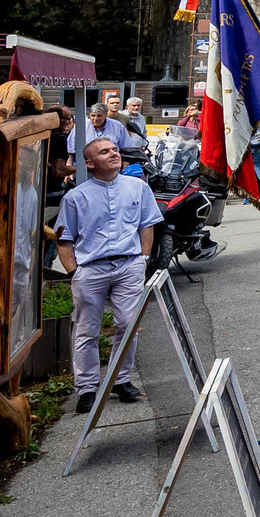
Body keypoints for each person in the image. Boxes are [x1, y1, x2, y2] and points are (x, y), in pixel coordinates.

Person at [54, 133, 162, 413]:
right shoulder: (76, 197)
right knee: (87, 330)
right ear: (89, 163)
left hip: (129, 265)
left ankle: (120, 379)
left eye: (114, 149)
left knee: (128, 323)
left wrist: (143, 258)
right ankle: (88, 388)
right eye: (104, 152)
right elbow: (64, 237)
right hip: (91, 269)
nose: (113, 154)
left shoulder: (138, 188)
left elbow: (146, 224)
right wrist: (73, 272)